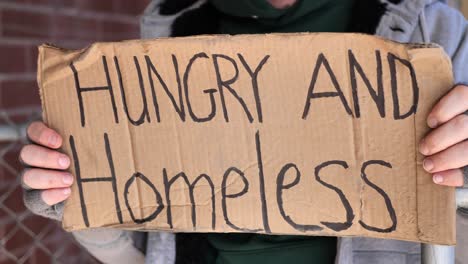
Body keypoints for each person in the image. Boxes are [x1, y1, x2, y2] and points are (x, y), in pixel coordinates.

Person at [19, 0, 468, 263]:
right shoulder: (168, 23)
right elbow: (141, 243)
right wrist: (75, 192)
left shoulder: (431, 27)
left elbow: (456, 208)